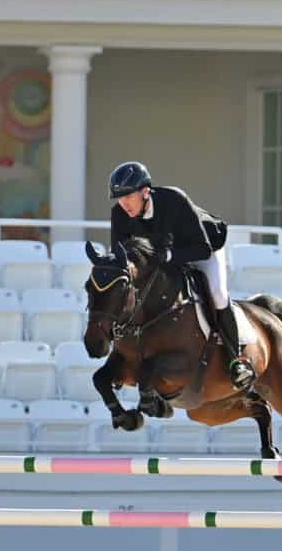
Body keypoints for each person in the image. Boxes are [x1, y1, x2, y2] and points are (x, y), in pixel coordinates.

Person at [107, 161, 256, 390]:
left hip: (202, 247)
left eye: (128, 196)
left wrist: (167, 256)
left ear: (145, 192)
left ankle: (237, 361)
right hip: (163, 257)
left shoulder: (174, 200)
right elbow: (122, 258)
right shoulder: (119, 214)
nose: (123, 203)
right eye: (119, 197)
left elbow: (202, 249)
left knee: (217, 293)